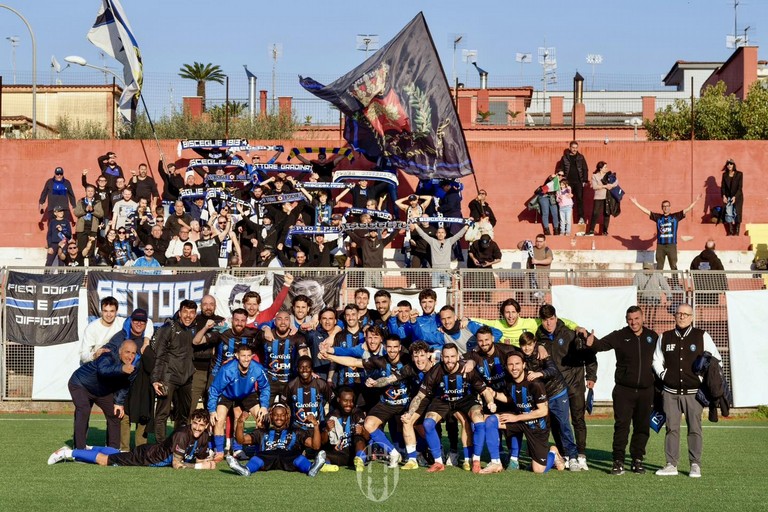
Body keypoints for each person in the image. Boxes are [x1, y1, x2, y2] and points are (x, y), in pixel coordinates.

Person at [324, 335, 418, 469]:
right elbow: (354, 362)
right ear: (385, 347)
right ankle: (393, 453)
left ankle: (416, 457)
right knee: (368, 424)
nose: (392, 350)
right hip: (387, 403)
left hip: (406, 402)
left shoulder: (408, 359)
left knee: (417, 424)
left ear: (400, 348)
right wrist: (330, 357)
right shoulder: (379, 361)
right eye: (389, 347)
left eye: (395, 347)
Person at [584, 306, 658, 475]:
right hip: (624, 391)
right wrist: (592, 342)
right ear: (626, 320)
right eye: (630, 319)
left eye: (637, 318)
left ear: (643, 318)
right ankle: (618, 461)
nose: (634, 322)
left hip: (646, 391)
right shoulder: (620, 335)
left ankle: (637, 460)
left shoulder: (652, 337)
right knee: (621, 427)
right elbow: (601, 345)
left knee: (642, 427)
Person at [402, 343, 496, 473]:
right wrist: (410, 412)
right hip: (443, 400)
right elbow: (419, 396)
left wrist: (491, 402)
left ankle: (475, 460)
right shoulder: (435, 371)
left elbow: (485, 391)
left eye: (452, 356)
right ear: (442, 357)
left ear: (457, 356)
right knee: (428, 423)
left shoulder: (467, 370)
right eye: (446, 357)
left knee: (478, 419)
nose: (449, 360)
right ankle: (438, 462)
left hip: (464, 399)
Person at [653, 303, 722, 478]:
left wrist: (702, 377)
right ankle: (671, 464)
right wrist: (663, 374)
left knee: (695, 429)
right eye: (679, 313)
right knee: (671, 429)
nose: (682, 316)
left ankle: (695, 464)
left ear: (692, 317)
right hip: (670, 392)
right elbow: (656, 360)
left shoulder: (702, 336)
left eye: (686, 314)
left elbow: (716, 359)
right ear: (674, 316)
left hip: (694, 393)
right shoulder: (664, 337)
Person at [536, 304, 597, 470]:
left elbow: (588, 353)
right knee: (557, 422)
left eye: (551, 319)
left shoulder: (569, 333)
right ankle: (565, 454)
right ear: (541, 321)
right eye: (545, 320)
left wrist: (591, 376)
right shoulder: (538, 338)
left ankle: (581, 455)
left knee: (578, 419)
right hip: (554, 388)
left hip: (574, 384)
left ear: (556, 318)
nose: (549, 323)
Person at [48, 409, 217, 470]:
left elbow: (200, 458)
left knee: (119, 453)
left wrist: (208, 462)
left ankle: (90, 448)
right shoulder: (182, 434)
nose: (197, 428)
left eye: (201, 425)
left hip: (150, 451)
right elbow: (177, 464)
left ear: (206, 426)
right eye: (195, 423)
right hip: (146, 458)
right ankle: (67, 453)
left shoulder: (203, 437)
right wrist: (200, 467)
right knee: (105, 461)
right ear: (191, 421)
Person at [487, 351, 566, 473]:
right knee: (491, 420)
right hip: (520, 421)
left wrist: (516, 418)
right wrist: (494, 394)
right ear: (506, 366)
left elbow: (543, 411)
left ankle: (553, 453)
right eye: (510, 364)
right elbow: (510, 398)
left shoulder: (535, 383)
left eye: (517, 364)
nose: (514, 368)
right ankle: (496, 462)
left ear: (524, 365)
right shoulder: (508, 381)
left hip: (537, 425)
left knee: (538, 470)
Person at [518, 332, 579, 471]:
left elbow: (552, 369)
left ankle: (572, 457)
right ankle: (546, 456)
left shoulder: (542, 353)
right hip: (541, 397)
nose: (526, 348)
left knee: (563, 425)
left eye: (529, 344)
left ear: (534, 343)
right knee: (540, 427)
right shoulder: (521, 357)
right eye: (523, 345)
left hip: (557, 393)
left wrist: (539, 374)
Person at [67, 339, 137, 449]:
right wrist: (121, 369)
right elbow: (103, 371)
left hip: (101, 390)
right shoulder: (107, 356)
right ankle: (79, 449)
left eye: (133, 353)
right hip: (80, 384)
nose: (130, 356)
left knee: (115, 414)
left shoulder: (133, 367)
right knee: (84, 410)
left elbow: (125, 386)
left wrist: (119, 403)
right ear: (120, 351)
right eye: (127, 352)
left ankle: (112, 450)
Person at [207, 343, 271, 461]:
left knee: (261, 418)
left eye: (249, 356)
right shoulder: (227, 369)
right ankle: (219, 452)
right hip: (227, 394)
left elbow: (265, 387)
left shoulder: (257, 368)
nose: (246, 359)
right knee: (219, 419)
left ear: (252, 356)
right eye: (243, 356)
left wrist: (264, 406)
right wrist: (212, 410)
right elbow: (214, 389)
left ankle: (252, 450)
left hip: (247, 394)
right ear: (237, 356)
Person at [226, 404, 327, 477]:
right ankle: (246, 470)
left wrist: (315, 425)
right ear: (271, 416)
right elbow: (241, 440)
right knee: (257, 457)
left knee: (299, 457)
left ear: (287, 417)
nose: (279, 418)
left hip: (290, 457)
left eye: (282, 415)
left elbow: (316, 446)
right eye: (276, 415)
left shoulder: (296, 431)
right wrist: (240, 423)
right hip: (267, 457)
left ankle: (311, 469)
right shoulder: (262, 432)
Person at [150, 299, 198, 443]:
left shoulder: (195, 329)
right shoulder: (168, 328)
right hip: (168, 378)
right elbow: (159, 355)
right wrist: (155, 379)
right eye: (185, 312)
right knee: (162, 413)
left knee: (183, 415)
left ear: (195, 314)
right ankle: (161, 446)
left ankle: (178, 444)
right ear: (179, 312)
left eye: (192, 312)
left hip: (186, 378)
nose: (188, 316)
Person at [629, 194, 702, 270]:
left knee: (673, 265)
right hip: (660, 246)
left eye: (667, 206)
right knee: (659, 266)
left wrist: (696, 200)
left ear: (670, 207)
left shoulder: (675, 217)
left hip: (671, 245)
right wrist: (636, 203)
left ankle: (675, 278)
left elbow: (687, 210)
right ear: (662, 208)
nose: (666, 208)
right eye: (664, 206)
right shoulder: (658, 217)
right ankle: (659, 278)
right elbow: (647, 212)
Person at [413, 223, 469, 288]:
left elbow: (458, 235)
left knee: (447, 289)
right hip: (435, 270)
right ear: (436, 234)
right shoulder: (432, 241)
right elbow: (423, 234)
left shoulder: (449, 241)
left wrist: (466, 226)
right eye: (439, 232)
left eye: (442, 232)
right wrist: (415, 225)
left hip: (446, 270)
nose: (440, 234)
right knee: (435, 289)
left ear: (445, 234)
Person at [560, 141, 589, 225]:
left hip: (579, 182)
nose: (575, 149)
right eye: (573, 147)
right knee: (567, 199)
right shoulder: (564, 158)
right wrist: (561, 173)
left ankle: (581, 218)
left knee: (580, 199)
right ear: (570, 148)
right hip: (568, 182)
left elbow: (585, 169)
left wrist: (585, 180)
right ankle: (566, 219)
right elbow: (561, 168)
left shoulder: (581, 157)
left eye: (576, 148)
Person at [587, 161, 619, 236]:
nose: (606, 168)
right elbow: (595, 187)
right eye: (605, 167)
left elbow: (616, 182)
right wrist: (605, 186)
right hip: (598, 197)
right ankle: (591, 230)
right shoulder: (595, 176)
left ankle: (605, 231)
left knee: (607, 214)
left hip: (608, 197)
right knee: (595, 213)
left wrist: (611, 186)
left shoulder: (609, 175)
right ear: (600, 168)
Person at [720, 158, 743, 236]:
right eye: (728, 164)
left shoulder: (739, 174)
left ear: (734, 165)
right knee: (728, 213)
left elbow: (740, 187)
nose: (729, 165)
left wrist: (735, 197)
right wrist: (724, 196)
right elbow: (723, 187)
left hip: (737, 197)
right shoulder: (724, 175)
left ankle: (737, 231)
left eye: (731, 164)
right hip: (728, 197)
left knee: (737, 213)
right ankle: (730, 231)